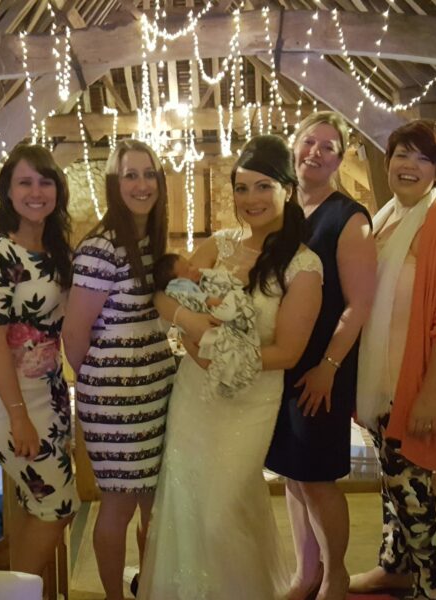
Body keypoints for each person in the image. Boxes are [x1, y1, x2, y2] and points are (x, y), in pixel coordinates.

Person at [138, 135, 324, 599]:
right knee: (184, 504)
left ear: (286, 188)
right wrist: (191, 324)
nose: (251, 200)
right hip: (194, 395)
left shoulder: (303, 266)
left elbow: (289, 351)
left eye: (262, 187)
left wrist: (224, 352)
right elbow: (164, 293)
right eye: (241, 189)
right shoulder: (217, 244)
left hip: (249, 402)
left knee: (224, 510)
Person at [349, 120, 436, 600]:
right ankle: (395, 566)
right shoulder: (385, 218)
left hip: (417, 381)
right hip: (380, 376)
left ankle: (435, 586)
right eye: (402, 154)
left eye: (423, 158)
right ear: (388, 161)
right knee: (392, 484)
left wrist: (429, 393)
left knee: (412, 492)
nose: (409, 165)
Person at [264, 111, 377, 600]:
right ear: (294, 144)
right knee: (292, 473)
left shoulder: (349, 218)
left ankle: (336, 575)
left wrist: (328, 368)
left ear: (340, 158)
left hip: (321, 366)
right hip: (283, 363)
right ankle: (305, 574)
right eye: (309, 141)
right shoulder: (283, 211)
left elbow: (360, 304)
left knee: (318, 478)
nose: (315, 152)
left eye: (328, 147)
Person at [61, 139, 177, 600]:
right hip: (116, 399)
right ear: (114, 183)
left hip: (158, 390)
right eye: (130, 175)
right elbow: (75, 334)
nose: (142, 184)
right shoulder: (100, 247)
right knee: (119, 503)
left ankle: (150, 589)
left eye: (149, 174)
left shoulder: (152, 241)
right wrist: (107, 382)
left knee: (157, 504)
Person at [0, 144, 80, 598]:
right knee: (58, 505)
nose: (37, 192)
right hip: (10, 401)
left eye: (45, 181)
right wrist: (18, 416)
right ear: (7, 191)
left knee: (47, 506)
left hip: (50, 394)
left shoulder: (54, 247)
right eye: (25, 182)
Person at [152, 252, 260, 398]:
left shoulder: (194, 279)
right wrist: (215, 302)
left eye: (190, 264)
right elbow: (193, 298)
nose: (193, 268)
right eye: (186, 271)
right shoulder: (178, 287)